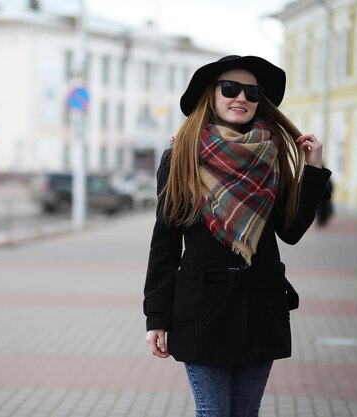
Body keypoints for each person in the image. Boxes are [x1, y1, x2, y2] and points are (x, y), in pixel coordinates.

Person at [142, 55, 332, 417]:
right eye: (230, 88)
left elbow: (290, 231)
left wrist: (312, 170)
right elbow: (164, 244)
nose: (240, 97)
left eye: (252, 92)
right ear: (210, 96)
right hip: (201, 312)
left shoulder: (272, 155)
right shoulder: (181, 157)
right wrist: (156, 318)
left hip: (260, 310)